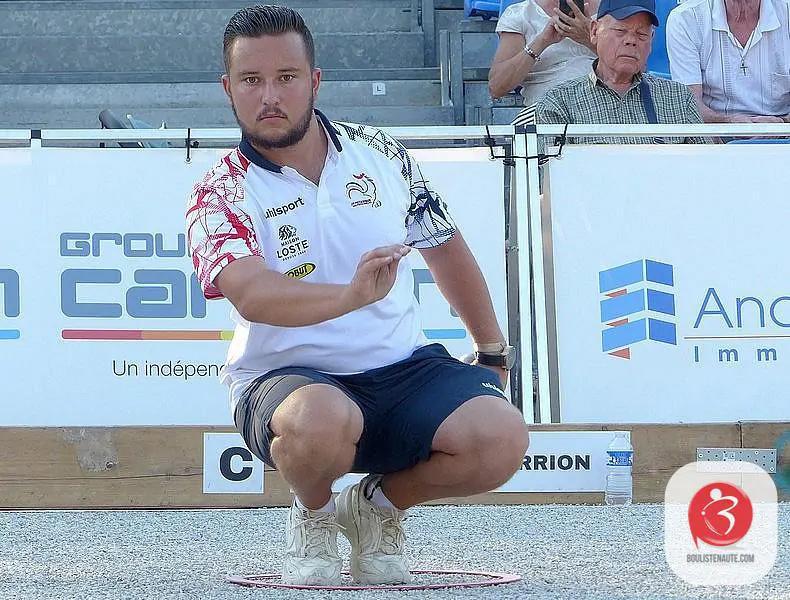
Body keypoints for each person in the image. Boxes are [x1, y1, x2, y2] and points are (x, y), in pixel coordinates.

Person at [185, 4, 529, 588]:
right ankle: (314, 514)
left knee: (502, 439)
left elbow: (444, 246)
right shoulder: (219, 188)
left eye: (286, 78)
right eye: (251, 80)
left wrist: (491, 348)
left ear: (315, 81)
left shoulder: (382, 153)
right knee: (319, 419)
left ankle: (375, 508)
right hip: (288, 379)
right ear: (228, 89)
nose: (270, 95)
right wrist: (350, 296)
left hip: (401, 370)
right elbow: (252, 295)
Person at [536, 0, 705, 143]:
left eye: (641, 34)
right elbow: (552, 177)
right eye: (620, 31)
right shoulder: (560, 102)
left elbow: (707, 169)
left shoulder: (678, 99)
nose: (631, 41)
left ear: (651, 40)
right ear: (594, 31)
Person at [666, 0, 790, 123]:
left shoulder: (786, 13)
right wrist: (728, 122)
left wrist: (781, 122)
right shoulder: (686, 18)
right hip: (714, 132)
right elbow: (690, 104)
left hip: (784, 132)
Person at [489, 0, 599, 124]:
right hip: (544, 110)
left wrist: (588, 39)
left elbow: (625, 73)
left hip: (599, 106)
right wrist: (542, 41)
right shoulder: (520, 13)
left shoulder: (612, 11)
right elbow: (497, 87)